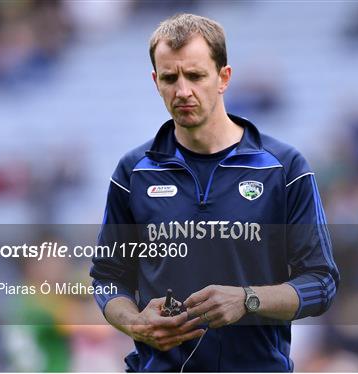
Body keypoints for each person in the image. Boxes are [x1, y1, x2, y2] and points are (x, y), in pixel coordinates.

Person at [91, 13, 339, 372]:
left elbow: (322, 283)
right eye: (169, 78)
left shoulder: (283, 168)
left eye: (195, 76)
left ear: (224, 77)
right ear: (155, 81)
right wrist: (136, 323)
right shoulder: (133, 173)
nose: (183, 91)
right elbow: (107, 278)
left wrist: (247, 300)